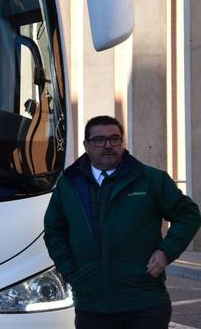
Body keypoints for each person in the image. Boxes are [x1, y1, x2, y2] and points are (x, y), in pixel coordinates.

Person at [43, 115, 200, 329]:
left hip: (145, 302)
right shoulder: (69, 184)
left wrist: (166, 251)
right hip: (92, 304)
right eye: (99, 140)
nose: (108, 146)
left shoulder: (150, 180)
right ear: (86, 145)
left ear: (122, 142)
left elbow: (188, 214)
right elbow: (54, 230)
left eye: (114, 139)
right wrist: (70, 271)